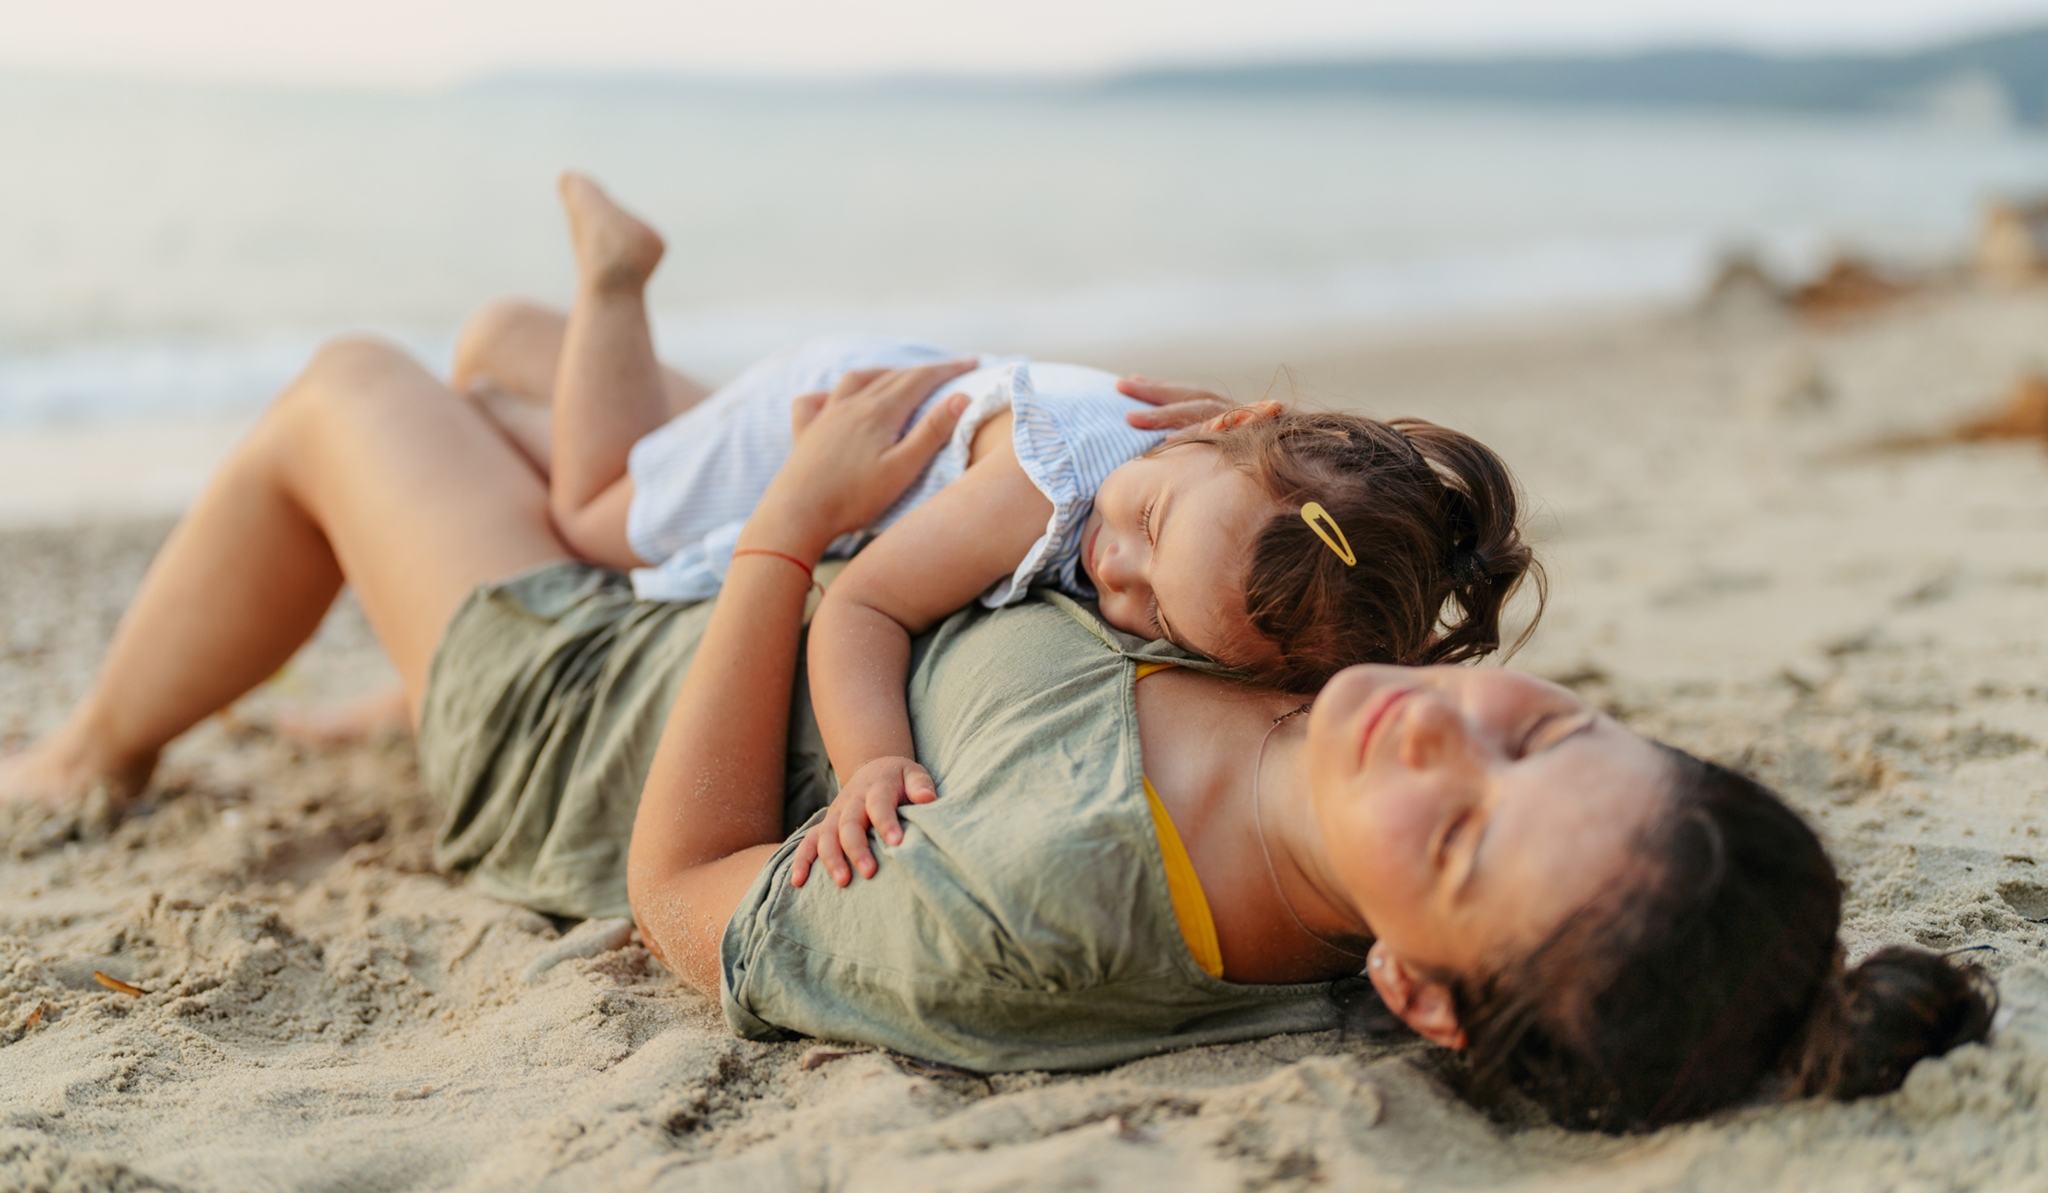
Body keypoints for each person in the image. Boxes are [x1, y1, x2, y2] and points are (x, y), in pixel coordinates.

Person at [0, 340, 1989, 1138]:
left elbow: (682, 892)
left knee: (351, 392)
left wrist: (788, 520)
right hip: (755, 604)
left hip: (587, 705)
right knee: (521, 369)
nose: (1432, 734)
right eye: (1535, 726)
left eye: (1465, 838)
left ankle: (93, 746)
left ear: (1415, 989)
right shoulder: (1323, 700)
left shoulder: (1046, 902)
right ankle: (375, 648)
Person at [514, 175, 1541, 875]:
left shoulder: (1224, 474)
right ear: (1227, 423)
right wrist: (871, 757)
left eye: (1149, 608)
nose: (1114, 560)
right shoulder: (1045, 491)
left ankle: (500, 375)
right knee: (593, 515)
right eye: (1147, 519)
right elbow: (863, 603)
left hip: (933, 392)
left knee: (630, 463)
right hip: (841, 409)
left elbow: (1257, 527)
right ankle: (614, 277)